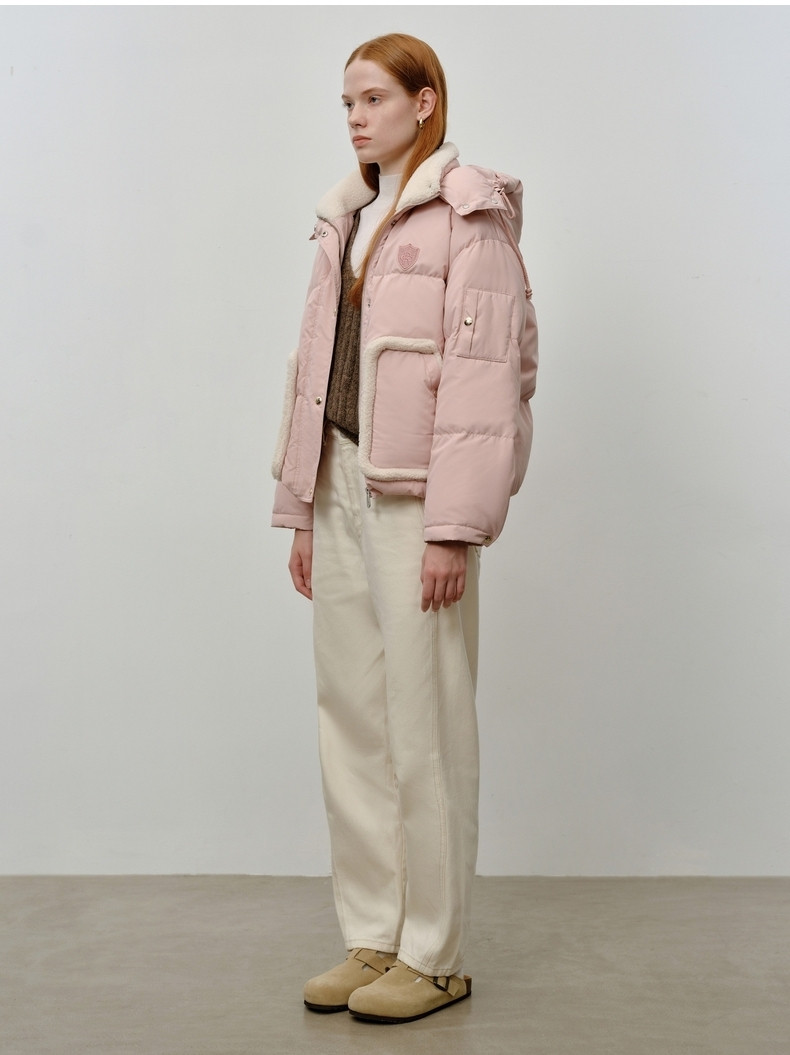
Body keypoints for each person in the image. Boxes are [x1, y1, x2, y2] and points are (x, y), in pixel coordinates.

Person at [271, 32, 538, 1024]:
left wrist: (452, 527)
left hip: (417, 500)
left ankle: (434, 954)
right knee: (350, 715)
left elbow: (487, 380)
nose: (354, 116)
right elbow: (314, 366)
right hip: (340, 483)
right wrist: (301, 504)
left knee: (425, 726)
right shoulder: (343, 216)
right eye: (346, 100)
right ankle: (373, 934)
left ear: (425, 102)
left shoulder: (471, 213)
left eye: (374, 97)